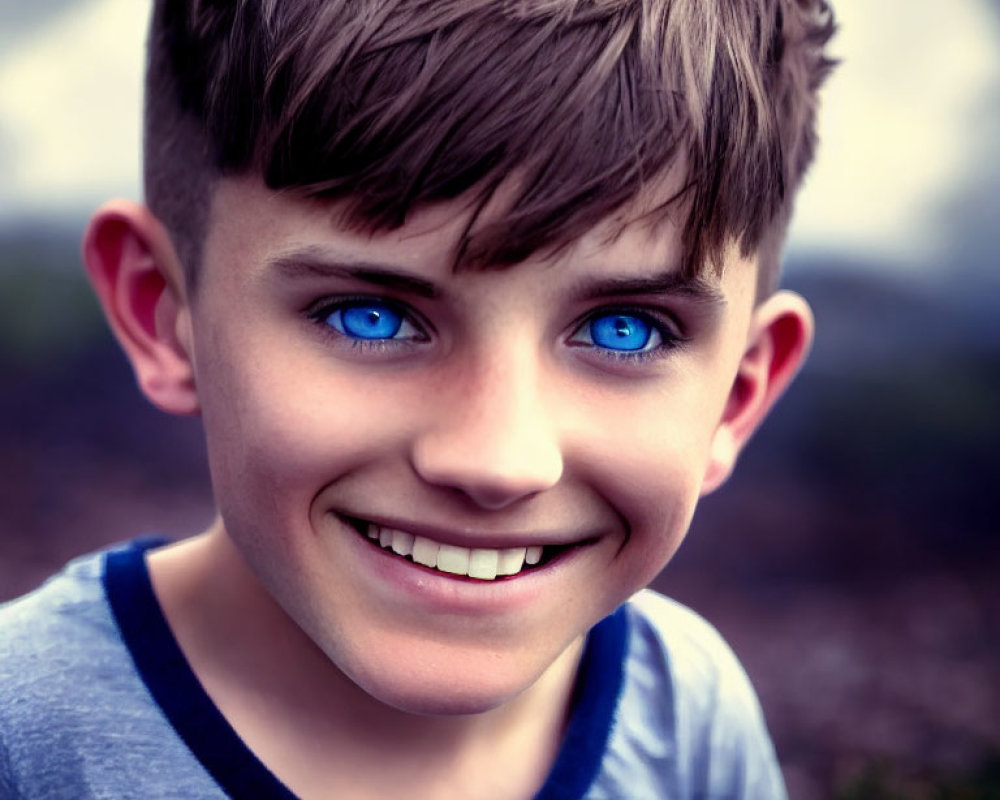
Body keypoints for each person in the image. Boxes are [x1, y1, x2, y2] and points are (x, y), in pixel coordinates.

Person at [0, 0, 836, 797]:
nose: (497, 461)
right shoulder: (23, 739)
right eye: (372, 317)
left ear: (737, 392)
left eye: (626, 330)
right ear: (163, 314)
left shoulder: (688, 714)